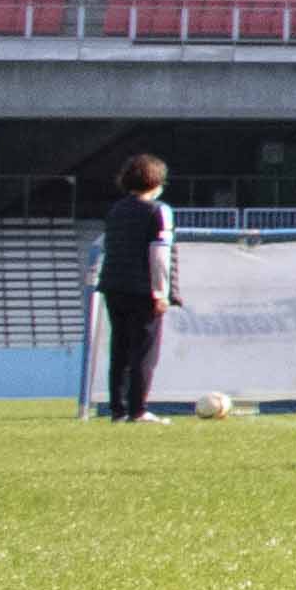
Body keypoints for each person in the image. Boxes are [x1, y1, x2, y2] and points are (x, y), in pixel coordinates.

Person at [94, 152, 175, 422]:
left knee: (119, 349)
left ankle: (117, 408)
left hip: (113, 285)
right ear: (156, 182)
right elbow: (159, 255)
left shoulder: (116, 210)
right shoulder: (158, 210)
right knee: (143, 351)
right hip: (142, 289)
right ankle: (138, 409)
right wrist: (161, 292)